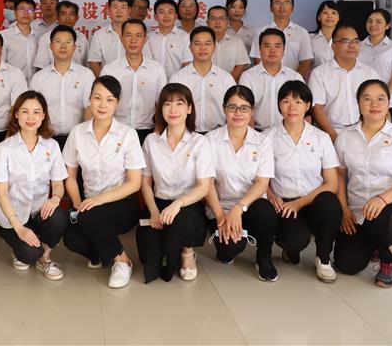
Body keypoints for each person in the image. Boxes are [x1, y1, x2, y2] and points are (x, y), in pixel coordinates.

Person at [334, 80, 392, 288]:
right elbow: (339, 175)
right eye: (367, 99)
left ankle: (389, 262)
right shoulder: (345, 137)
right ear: (358, 103)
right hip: (357, 210)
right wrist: (344, 209)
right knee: (347, 265)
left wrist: (382, 199)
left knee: (382, 217)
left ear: (389, 103)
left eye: (380, 99)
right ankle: (376, 243)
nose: (374, 104)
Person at [62, 76, 144, 289]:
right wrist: (77, 202)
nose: (102, 104)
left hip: (122, 204)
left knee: (90, 215)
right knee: (71, 238)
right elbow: (70, 175)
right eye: (97, 98)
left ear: (117, 103)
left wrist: (100, 200)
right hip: (88, 204)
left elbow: (135, 183)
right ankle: (100, 254)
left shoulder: (128, 135)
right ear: (89, 99)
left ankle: (122, 261)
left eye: (109, 99)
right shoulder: (77, 133)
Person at [137, 83, 214, 283]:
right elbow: (146, 182)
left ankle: (187, 252)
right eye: (167, 104)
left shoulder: (199, 142)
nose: (173, 109)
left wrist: (178, 203)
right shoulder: (151, 141)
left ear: (189, 109)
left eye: (179, 103)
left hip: (188, 205)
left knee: (178, 227)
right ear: (160, 109)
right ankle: (169, 246)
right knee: (148, 260)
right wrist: (154, 211)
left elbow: (204, 186)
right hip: (159, 203)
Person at [266, 81, 342, 283]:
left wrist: (299, 203)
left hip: (315, 200)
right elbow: (260, 178)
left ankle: (323, 259)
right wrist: (271, 196)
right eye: (286, 101)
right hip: (285, 202)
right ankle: (291, 249)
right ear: (279, 105)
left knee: (330, 203)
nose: (292, 107)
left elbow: (332, 183)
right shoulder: (267, 138)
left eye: (298, 102)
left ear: (308, 105)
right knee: (293, 240)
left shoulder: (321, 138)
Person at [0, 91, 69, 280]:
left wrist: (55, 198)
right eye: (25, 111)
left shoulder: (52, 146)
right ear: (16, 114)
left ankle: (45, 258)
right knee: (28, 255)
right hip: (11, 216)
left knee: (59, 217)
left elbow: (58, 184)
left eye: (36, 112)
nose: (31, 118)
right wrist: (19, 228)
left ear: (43, 116)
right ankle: (25, 250)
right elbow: (1, 193)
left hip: (38, 211)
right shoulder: (4, 149)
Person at [203, 86, 279, 281]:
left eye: (244, 108)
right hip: (221, 208)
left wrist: (239, 209)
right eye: (232, 107)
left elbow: (262, 183)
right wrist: (221, 216)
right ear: (224, 109)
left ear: (252, 111)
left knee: (266, 211)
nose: (238, 113)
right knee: (228, 250)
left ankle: (264, 258)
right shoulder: (210, 140)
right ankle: (230, 244)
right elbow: (207, 183)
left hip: (250, 205)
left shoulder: (262, 142)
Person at [101, 19, 167, 145]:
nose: (133, 40)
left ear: (145, 39)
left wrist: (157, 134)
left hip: (147, 132)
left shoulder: (157, 69)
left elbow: (162, 104)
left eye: (138, 36)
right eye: (128, 35)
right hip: (116, 131)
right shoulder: (109, 69)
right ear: (121, 38)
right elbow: (103, 104)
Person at [310, 24, 380, 141]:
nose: (352, 45)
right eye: (346, 41)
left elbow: (379, 105)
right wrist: (333, 136)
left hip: (364, 131)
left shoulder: (370, 73)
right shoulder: (319, 73)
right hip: (331, 132)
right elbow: (317, 108)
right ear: (333, 46)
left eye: (356, 41)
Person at [29, 25, 95, 149]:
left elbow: (89, 108)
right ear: (51, 46)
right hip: (46, 139)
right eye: (58, 42)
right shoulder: (39, 78)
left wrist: (85, 139)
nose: (63, 46)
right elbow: (33, 110)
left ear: (74, 47)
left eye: (68, 42)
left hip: (77, 139)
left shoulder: (86, 75)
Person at [169, 27, 236, 133]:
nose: (202, 48)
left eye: (207, 44)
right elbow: (170, 109)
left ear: (214, 47)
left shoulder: (226, 78)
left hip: (217, 135)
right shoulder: (178, 78)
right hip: (187, 135)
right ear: (190, 47)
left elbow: (234, 109)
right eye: (197, 44)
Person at [238, 29, 303, 131]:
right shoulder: (248, 77)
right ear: (259, 49)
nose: (272, 50)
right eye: (267, 46)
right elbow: (244, 110)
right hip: (258, 132)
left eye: (277, 46)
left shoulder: (295, 77)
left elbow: (304, 110)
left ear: (284, 50)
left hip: (288, 132)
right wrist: (252, 136)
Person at [250, 0, 314, 81]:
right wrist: (271, 80)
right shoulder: (261, 32)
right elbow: (258, 60)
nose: (282, 6)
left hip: (293, 84)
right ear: (271, 8)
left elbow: (305, 62)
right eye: (277, 3)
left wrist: (293, 82)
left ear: (292, 8)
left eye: (286, 3)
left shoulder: (302, 32)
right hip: (266, 81)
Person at [359, 9, 392, 123]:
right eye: (370, 21)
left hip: (387, 103)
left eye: (378, 21)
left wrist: (383, 98)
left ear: (387, 25)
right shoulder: (358, 46)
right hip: (362, 101)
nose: (373, 24)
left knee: (385, 134)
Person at [33, 0, 88, 70]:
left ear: (77, 18)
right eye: (63, 14)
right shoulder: (46, 38)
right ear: (57, 16)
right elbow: (41, 67)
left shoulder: (82, 38)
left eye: (71, 14)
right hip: (52, 76)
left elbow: (87, 65)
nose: (67, 18)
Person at [87, 0, 132, 76]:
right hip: (107, 81)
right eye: (115, 7)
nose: (119, 11)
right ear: (109, 10)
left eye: (123, 7)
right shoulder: (99, 35)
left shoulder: (137, 34)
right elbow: (94, 62)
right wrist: (105, 81)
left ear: (129, 10)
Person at [147, 0, 192, 78]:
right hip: (152, 83)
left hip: (177, 83)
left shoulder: (185, 37)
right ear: (155, 16)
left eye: (170, 12)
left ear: (176, 16)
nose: (166, 16)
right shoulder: (148, 38)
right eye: (161, 12)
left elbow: (187, 65)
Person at [206, 5, 251, 81]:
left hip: (230, 85)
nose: (217, 22)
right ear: (207, 22)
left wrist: (227, 83)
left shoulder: (237, 41)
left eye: (222, 18)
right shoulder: (200, 42)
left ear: (228, 22)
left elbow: (240, 66)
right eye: (213, 18)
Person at [1, 0, 40, 80]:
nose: (26, 13)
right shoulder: (4, 36)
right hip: (12, 83)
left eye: (30, 10)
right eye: (22, 9)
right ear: (15, 13)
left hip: (35, 84)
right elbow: (1, 64)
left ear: (34, 14)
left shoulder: (39, 36)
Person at [310, 0, 340, 69]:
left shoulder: (345, 39)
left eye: (333, 13)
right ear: (319, 17)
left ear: (338, 18)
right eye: (325, 12)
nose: (329, 16)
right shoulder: (309, 39)